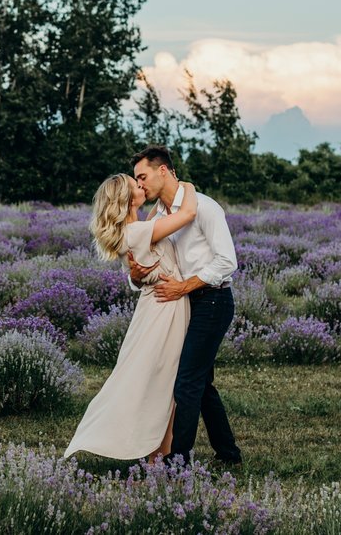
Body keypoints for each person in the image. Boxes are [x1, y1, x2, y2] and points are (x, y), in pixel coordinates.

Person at [63, 173, 198, 463]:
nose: (141, 185)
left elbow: (156, 217)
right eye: (136, 184)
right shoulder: (137, 232)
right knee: (162, 383)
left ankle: (159, 457)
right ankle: (155, 458)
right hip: (165, 310)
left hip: (160, 306)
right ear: (126, 199)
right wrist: (185, 185)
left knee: (162, 381)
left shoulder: (137, 228)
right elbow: (187, 213)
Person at [128, 145, 243, 466]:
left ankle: (177, 463)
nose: (140, 186)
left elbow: (227, 261)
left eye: (143, 177)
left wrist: (185, 286)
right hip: (182, 305)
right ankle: (229, 454)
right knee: (202, 383)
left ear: (162, 170)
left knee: (187, 383)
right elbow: (146, 268)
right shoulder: (159, 217)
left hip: (213, 300)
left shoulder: (204, 207)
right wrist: (136, 278)